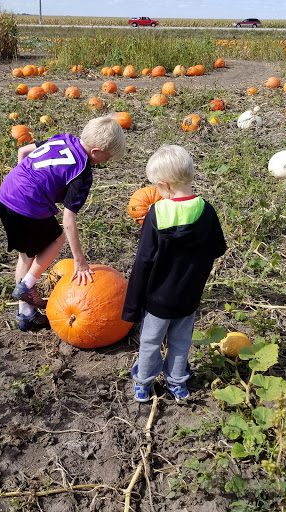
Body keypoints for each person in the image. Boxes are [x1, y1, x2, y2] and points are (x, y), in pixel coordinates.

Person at [0, 116, 126, 331]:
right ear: (95, 152)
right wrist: (79, 261)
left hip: (6, 194)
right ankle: (27, 286)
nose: (107, 161)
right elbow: (68, 218)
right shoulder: (82, 173)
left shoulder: (62, 139)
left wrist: (24, 179)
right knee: (56, 238)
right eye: (108, 157)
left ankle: (25, 314)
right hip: (28, 204)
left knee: (26, 255)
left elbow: (23, 152)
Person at [122, 145, 226, 403]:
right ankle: (178, 384)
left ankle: (143, 385)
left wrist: (132, 305)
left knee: (150, 342)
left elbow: (144, 262)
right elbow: (218, 248)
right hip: (189, 297)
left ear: (164, 185)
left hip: (158, 299)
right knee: (180, 342)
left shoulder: (157, 214)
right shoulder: (207, 210)